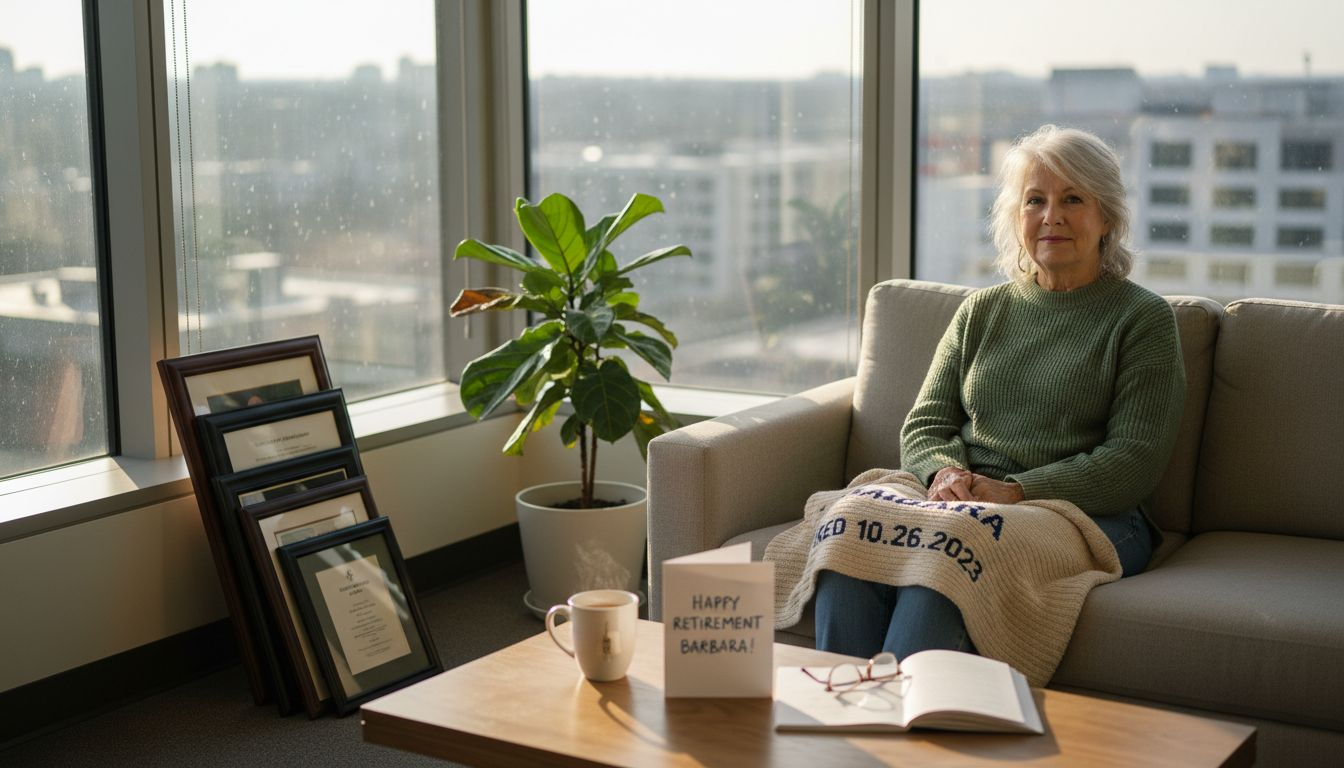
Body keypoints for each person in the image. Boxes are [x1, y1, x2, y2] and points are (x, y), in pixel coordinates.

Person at [814, 124, 1186, 660]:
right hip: (967, 500)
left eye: (1073, 199)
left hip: (1088, 515)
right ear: (1017, 217)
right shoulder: (981, 311)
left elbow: (1132, 462)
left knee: (947, 561)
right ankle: (843, 714)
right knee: (851, 537)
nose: (1051, 216)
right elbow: (925, 424)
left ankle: (906, 726)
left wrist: (1013, 491)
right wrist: (946, 476)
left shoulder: (1141, 319)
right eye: (1035, 200)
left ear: (1106, 217)